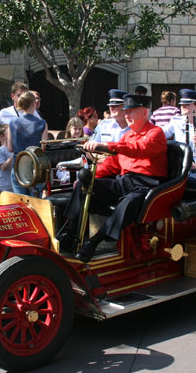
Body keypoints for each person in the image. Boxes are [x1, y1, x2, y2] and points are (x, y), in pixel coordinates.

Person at [64, 94, 168, 263]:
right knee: (84, 185)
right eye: (125, 112)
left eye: (131, 112)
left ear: (144, 112)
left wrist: (106, 145)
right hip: (124, 182)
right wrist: (91, 177)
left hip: (147, 186)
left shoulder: (156, 133)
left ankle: (94, 242)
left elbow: (139, 149)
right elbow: (112, 165)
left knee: (128, 203)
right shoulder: (126, 137)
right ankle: (71, 234)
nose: (126, 115)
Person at [6, 91, 48, 196]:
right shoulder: (42, 123)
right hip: (35, 166)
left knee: (21, 203)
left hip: (18, 165)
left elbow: (10, 148)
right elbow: (43, 147)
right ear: (33, 104)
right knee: (35, 203)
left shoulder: (12, 123)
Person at [161, 89, 196, 162]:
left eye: (186, 104)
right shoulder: (176, 121)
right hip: (182, 165)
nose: (182, 107)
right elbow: (161, 133)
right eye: (181, 104)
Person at [0, 125, 13, 203]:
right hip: (4, 187)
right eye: (8, 133)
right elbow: (3, 167)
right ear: (2, 136)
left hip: (14, 187)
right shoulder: (0, 151)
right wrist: (13, 155)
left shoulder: (16, 148)